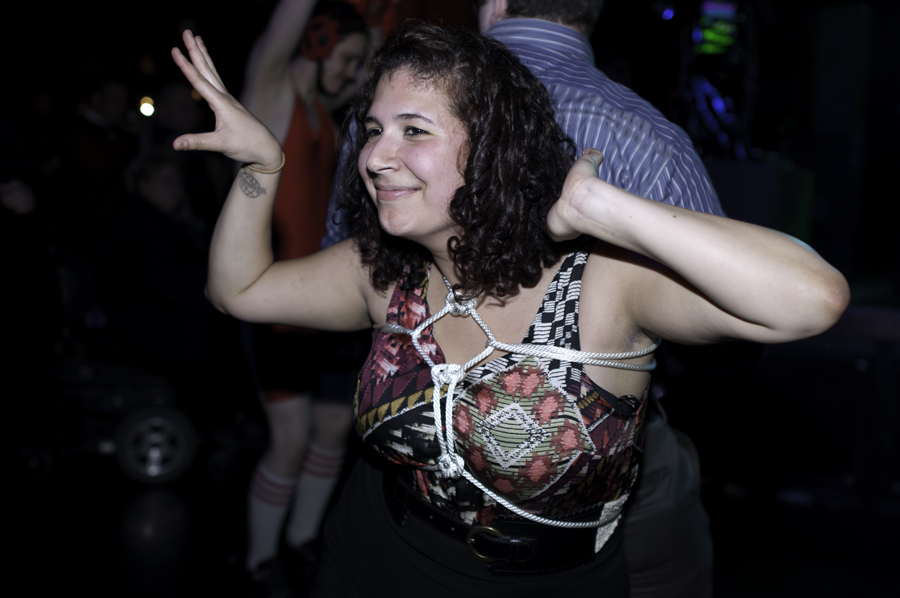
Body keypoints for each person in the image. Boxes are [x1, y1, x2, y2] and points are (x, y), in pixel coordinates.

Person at [170, 21, 848, 597]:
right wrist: (261, 168)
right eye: (373, 129)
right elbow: (239, 291)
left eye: (413, 130)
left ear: (490, 146)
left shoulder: (600, 283)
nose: (375, 156)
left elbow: (812, 299)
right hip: (371, 559)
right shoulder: (385, 273)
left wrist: (605, 208)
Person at [473, 1, 722, 595]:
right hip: (614, 455)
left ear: (497, 3)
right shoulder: (649, 136)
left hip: (414, 447)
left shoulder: (396, 119)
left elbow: (359, 270)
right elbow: (724, 318)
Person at [236, 0, 371, 592]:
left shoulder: (324, 112)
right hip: (273, 304)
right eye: (346, 58)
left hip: (319, 303)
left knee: (334, 428)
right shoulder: (273, 95)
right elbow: (282, 29)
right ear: (315, 44)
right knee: (290, 440)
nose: (351, 72)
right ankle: (260, 561)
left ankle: (301, 541)